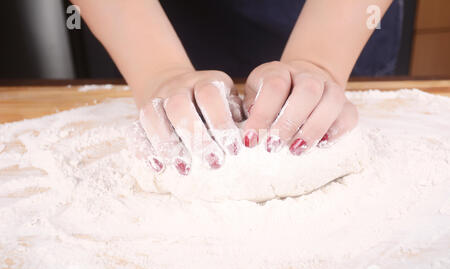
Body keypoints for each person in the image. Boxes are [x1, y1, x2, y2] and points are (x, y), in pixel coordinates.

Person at [72, 0, 396, 175]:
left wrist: (320, 64)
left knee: (315, 110)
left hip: (343, 16)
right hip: (147, 16)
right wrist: (159, 72)